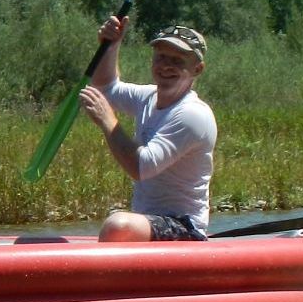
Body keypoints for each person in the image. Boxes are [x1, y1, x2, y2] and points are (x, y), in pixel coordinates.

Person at [75, 18, 217, 242]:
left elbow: (140, 167)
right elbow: (105, 88)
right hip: (149, 222)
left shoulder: (193, 114)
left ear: (197, 69)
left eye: (177, 60)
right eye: (161, 57)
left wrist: (108, 120)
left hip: (186, 227)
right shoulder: (148, 97)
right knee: (118, 223)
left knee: (117, 225)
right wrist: (111, 44)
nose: (166, 65)